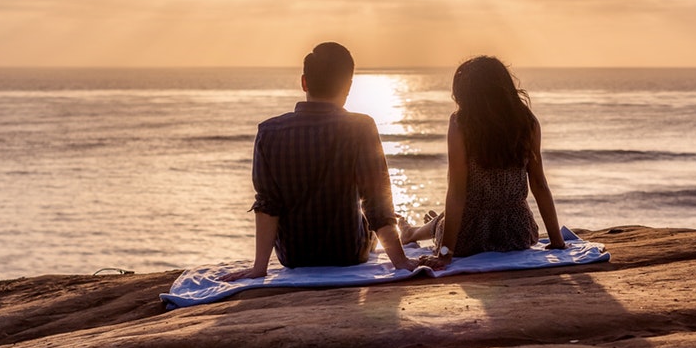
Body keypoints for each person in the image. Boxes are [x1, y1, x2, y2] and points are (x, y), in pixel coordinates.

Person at [223, 41, 413, 281]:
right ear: (348, 86)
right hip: (349, 253)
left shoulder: (269, 131)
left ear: (304, 82)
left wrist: (259, 268)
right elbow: (376, 201)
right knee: (368, 213)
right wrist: (401, 262)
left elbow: (268, 204)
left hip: (293, 256)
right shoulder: (360, 127)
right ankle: (408, 235)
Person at [404, 55, 565, 269]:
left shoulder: (461, 123)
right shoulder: (527, 122)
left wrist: (445, 254)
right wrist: (557, 241)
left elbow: (457, 193)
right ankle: (425, 226)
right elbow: (539, 184)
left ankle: (413, 231)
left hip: (468, 238)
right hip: (517, 234)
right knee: (447, 216)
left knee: (448, 217)